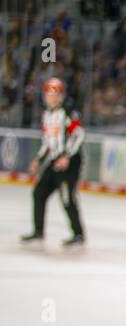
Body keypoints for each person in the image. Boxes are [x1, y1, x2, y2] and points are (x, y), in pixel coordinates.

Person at [21, 78, 86, 247]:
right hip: (54, 161)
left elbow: (78, 134)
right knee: (39, 193)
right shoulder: (47, 115)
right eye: (49, 95)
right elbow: (47, 142)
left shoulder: (68, 112)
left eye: (55, 95)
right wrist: (38, 160)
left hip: (70, 162)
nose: (52, 98)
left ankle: (78, 234)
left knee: (66, 197)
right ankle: (38, 231)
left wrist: (67, 156)